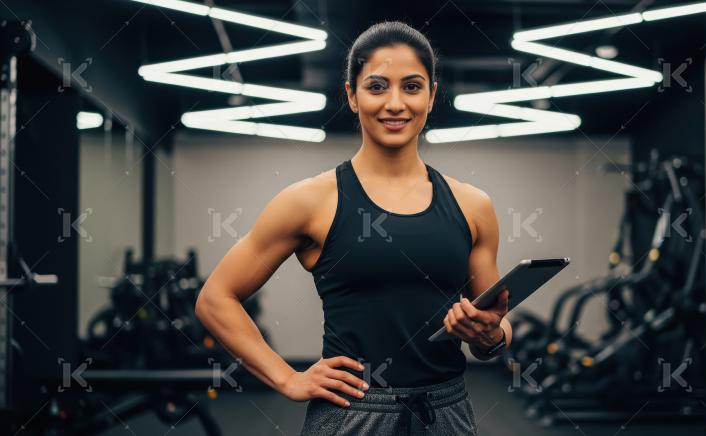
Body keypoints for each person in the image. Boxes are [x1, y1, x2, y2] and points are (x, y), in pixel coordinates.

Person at [195, 21, 512, 435]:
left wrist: (490, 336)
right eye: (377, 86)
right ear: (352, 95)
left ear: (432, 96)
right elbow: (215, 298)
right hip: (352, 412)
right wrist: (286, 377)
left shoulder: (473, 205)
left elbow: (496, 326)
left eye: (412, 87)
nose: (395, 103)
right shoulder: (310, 200)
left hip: (446, 413)